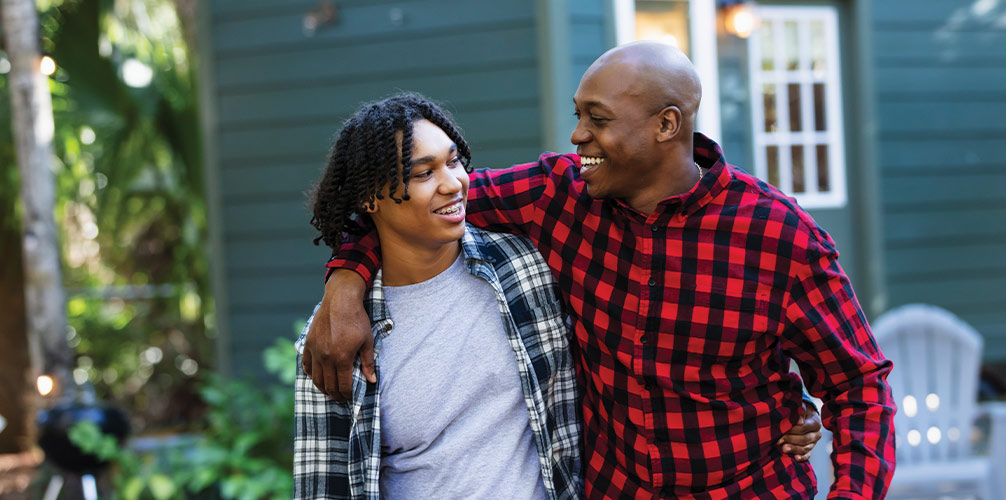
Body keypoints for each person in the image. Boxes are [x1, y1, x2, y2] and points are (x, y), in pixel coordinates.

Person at [308, 42, 892, 498]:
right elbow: (413, 206)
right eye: (577, 115)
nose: (577, 135)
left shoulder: (777, 236)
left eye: (597, 119)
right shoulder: (557, 194)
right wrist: (347, 278)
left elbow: (859, 385)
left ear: (666, 126)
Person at [294, 94, 582, 499]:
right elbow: (323, 488)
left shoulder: (522, 269)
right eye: (423, 173)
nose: (453, 183)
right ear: (370, 199)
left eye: (453, 162)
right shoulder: (335, 338)